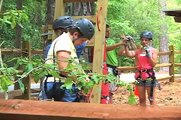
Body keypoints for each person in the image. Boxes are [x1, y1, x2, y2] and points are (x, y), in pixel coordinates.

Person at [39, 18, 95, 102]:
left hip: (60, 84)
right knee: (69, 113)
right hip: (60, 84)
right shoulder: (64, 42)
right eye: (82, 40)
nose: (82, 43)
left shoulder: (67, 42)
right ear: (75, 35)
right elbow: (64, 68)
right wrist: (82, 81)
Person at [123, 31, 158, 106]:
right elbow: (129, 54)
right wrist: (126, 45)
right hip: (140, 76)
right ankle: (143, 115)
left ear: (150, 41)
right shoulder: (138, 51)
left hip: (149, 76)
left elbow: (153, 64)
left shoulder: (154, 51)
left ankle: (154, 115)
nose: (144, 41)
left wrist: (149, 56)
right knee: (141, 99)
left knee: (151, 98)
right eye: (142, 40)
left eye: (146, 40)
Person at [105, 24, 124, 103]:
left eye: (109, 31)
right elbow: (106, 49)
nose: (108, 32)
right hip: (107, 67)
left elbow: (119, 53)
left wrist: (123, 44)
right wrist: (120, 43)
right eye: (107, 31)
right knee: (106, 91)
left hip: (113, 68)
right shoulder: (101, 41)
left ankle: (110, 107)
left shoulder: (111, 41)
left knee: (111, 92)